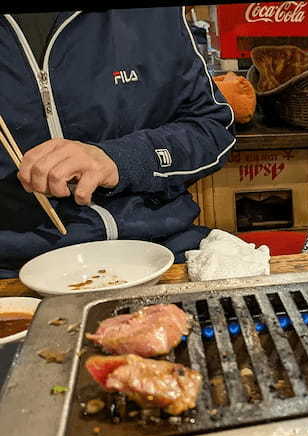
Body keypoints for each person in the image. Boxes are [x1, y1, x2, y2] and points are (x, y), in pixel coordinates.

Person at [0, 8, 236, 278]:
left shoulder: (155, 16)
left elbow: (211, 128)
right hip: (15, 270)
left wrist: (120, 160)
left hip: (163, 250)